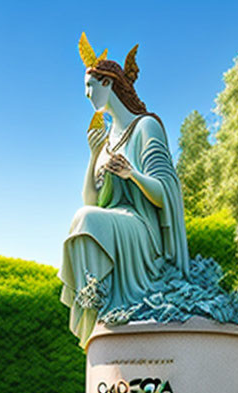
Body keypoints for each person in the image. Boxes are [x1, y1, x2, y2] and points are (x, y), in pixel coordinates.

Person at [59, 42, 189, 347]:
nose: (87, 94)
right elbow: (90, 202)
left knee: (85, 219)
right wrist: (93, 156)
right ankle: (98, 303)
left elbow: (166, 193)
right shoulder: (106, 142)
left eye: (90, 86)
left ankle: (105, 300)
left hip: (142, 231)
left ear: (107, 83)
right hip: (115, 222)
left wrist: (133, 175)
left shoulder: (146, 127)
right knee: (83, 217)